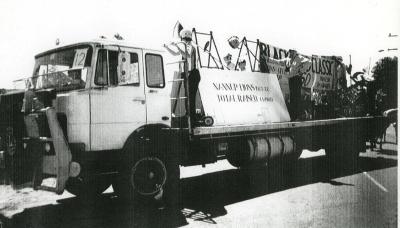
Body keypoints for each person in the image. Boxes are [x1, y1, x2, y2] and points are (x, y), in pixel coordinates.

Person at [164, 29, 200, 126]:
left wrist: (177, 46)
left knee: (190, 97)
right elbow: (176, 53)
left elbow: (187, 55)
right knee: (188, 96)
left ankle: (192, 118)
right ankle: (188, 115)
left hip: (192, 73)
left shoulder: (190, 47)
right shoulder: (185, 46)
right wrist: (167, 47)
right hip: (187, 73)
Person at [265, 49, 311, 120]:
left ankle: (299, 115)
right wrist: (268, 58)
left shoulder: (299, 58)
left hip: (297, 79)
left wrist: (301, 70)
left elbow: (309, 62)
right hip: (291, 80)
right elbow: (278, 62)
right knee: (292, 98)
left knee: (297, 97)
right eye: (290, 51)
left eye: (292, 51)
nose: (290, 52)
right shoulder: (288, 60)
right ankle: (294, 116)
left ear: (295, 52)